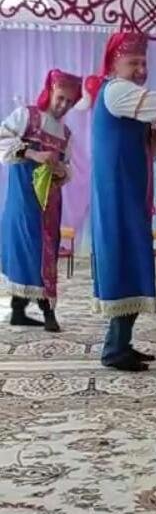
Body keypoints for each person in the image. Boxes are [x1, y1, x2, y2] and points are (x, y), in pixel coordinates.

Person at [90, 31, 156, 372]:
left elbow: (153, 149)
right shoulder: (117, 91)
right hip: (118, 195)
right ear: (114, 64)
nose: (142, 69)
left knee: (131, 262)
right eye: (134, 62)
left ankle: (121, 344)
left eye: (144, 62)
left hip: (128, 194)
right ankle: (113, 350)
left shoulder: (128, 102)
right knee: (124, 263)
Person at [0, 69, 82, 331]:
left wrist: (60, 170)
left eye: (70, 101)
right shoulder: (27, 116)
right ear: (50, 92)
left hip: (50, 202)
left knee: (47, 250)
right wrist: (34, 154)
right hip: (23, 198)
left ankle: (27, 311)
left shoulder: (66, 134)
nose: (64, 105)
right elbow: (2, 139)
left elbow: (67, 170)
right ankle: (40, 312)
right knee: (28, 249)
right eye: (61, 98)